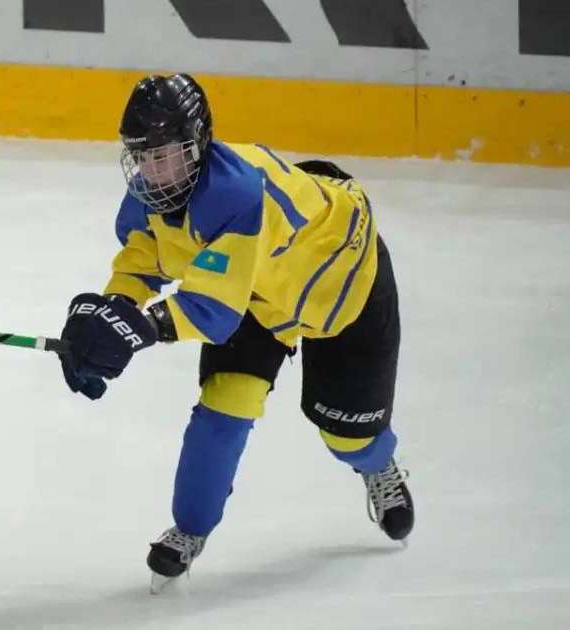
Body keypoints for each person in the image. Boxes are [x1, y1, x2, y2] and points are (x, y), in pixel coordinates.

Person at [55, 74, 414, 589]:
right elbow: (141, 258)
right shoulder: (148, 195)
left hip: (339, 279)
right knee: (224, 404)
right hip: (254, 288)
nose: (153, 171)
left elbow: (212, 310)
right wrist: (114, 309)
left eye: (166, 155)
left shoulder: (238, 194)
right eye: (142, 156)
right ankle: (189, 529)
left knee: (347, 433)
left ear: (197, 146)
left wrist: (139, 327)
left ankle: (376, 463)